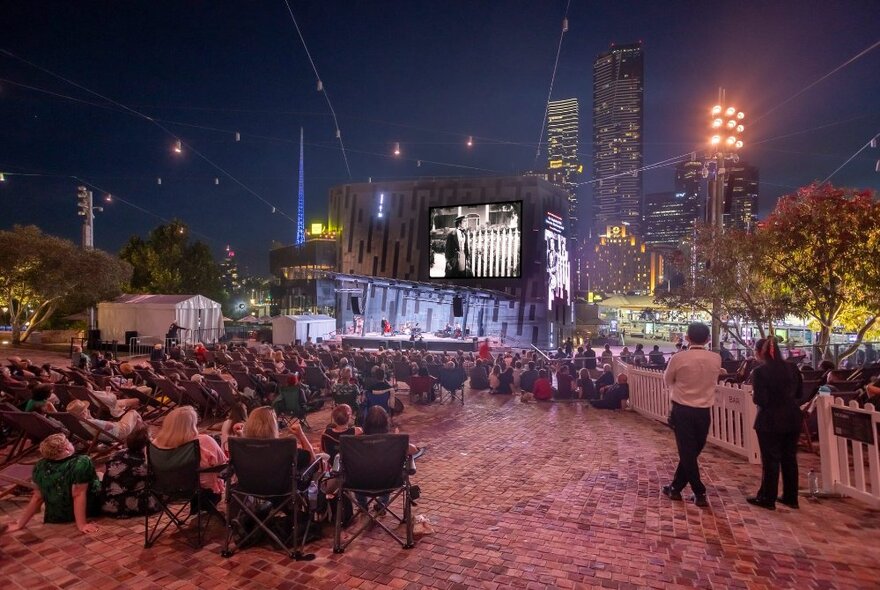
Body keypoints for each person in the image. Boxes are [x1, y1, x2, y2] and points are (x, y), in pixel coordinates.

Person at [661, 322, 722, 508]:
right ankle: (676, 488)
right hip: (704, 411)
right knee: (691, 451)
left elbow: (667, 380)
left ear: (687, 337)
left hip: (682, 409)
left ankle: (697, 490)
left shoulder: (679, 358)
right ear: (707, 339)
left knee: (688, 452)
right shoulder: (716, 358)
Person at [747, 338, 804, 510]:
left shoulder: (760, 372)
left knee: (770, 459)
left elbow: (760, 399)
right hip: (793, 417)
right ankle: (790, 497)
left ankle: (767, 497)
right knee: (789, 458)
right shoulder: (792, 368)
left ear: (760, 352)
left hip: (770, 419)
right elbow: (800, 393)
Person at [7, 433, 101, 534]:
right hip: (88, 509)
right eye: (68, 442)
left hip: (57, 515)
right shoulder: (81, 462)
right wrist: (82, 525)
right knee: (102, 475)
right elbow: (78, 494)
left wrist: (20, 524)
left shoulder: (40, 465)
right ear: (67, 449)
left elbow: (37, 497)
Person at [152, 406, 226, 507]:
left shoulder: (156, 443)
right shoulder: (203, 441)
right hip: (199, 488)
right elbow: (222, 463)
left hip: (165, 486)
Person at [100, 426, 160, 517]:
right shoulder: (144, 462)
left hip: (107, 503)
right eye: (151, 437)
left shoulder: (118, 453)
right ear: (146, 444)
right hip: (125, 506)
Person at [66, 399, 144, 441]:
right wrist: (110, 422)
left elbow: (97, 427)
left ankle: (136, 436)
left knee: (131, 418)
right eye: (86, 409)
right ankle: (141, 435)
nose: (88, 410)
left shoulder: (80, 422)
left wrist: (89, 417)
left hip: (103, 436)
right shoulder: (92, 422)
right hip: (119, 432)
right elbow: (111, 426)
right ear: (84, 412)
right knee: (133, 412)